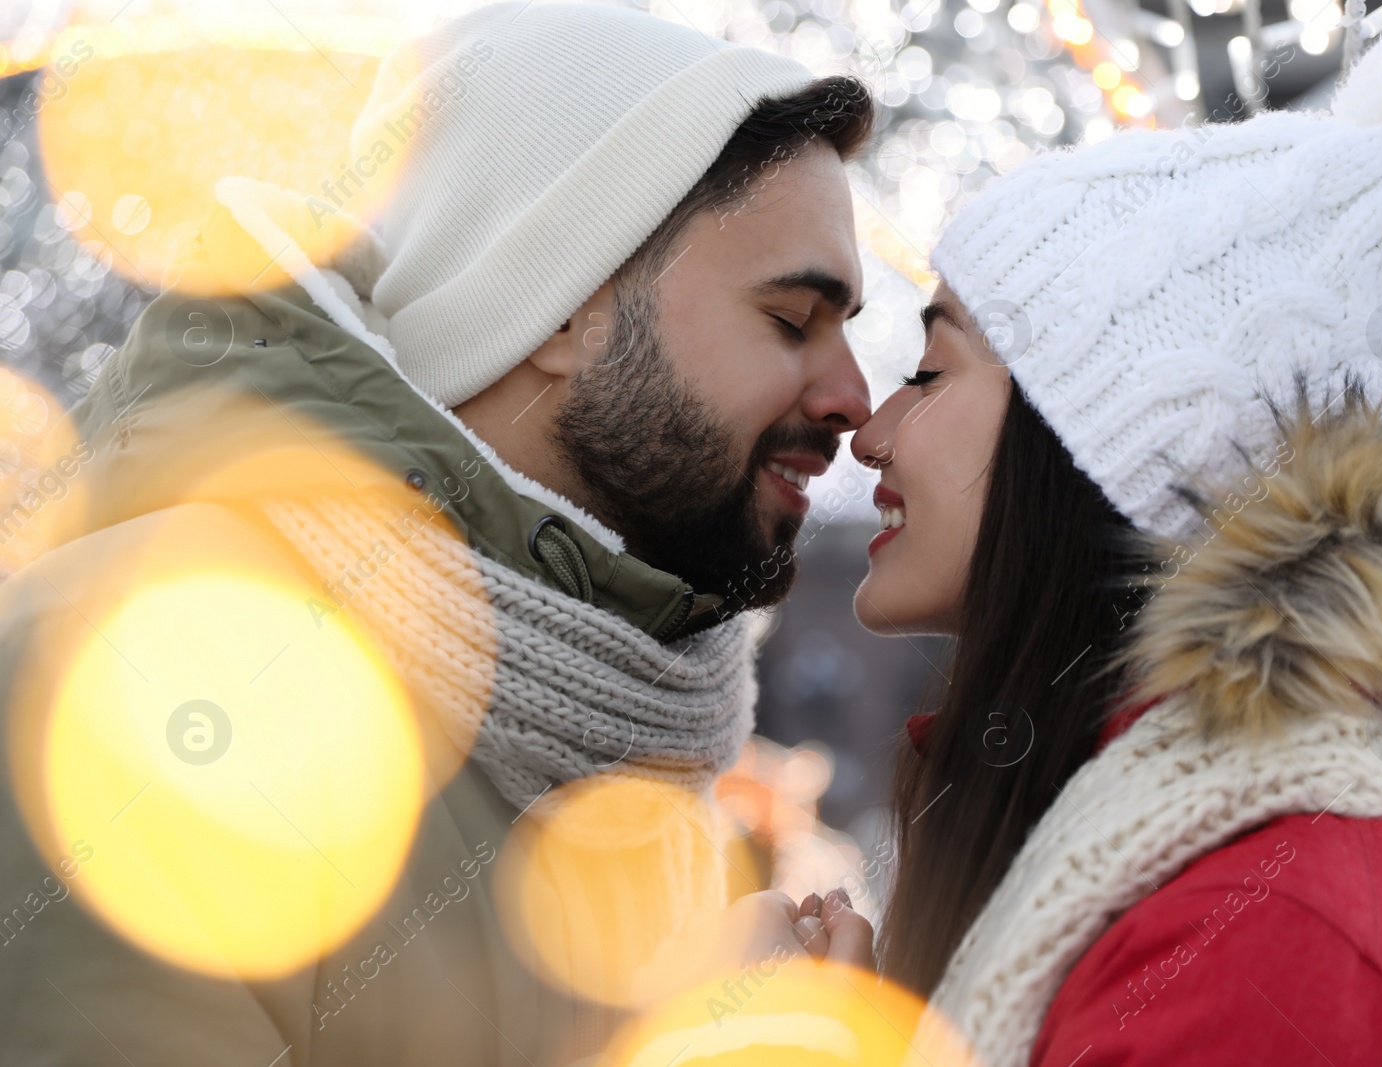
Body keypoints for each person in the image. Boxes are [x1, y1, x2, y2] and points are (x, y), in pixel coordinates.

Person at [0, 4, 869, 1063]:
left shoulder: (643, 754)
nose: (853, 397)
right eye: (789, 320)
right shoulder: (137, 682)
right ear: (562, 305)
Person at [850, 3, 1382, 1064]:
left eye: (929, 372)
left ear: (1098, 442)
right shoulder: (1196, 878)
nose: (868, 432)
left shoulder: (1260, 939)